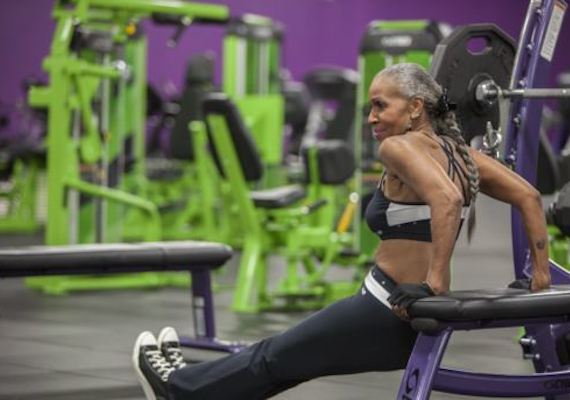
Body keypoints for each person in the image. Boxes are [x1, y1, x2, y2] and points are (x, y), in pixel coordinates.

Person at [131, 63, 552, 400]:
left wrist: (435, 285)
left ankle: (174, 387)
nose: (371, 118)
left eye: (380, 106)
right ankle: (196, 385)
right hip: (398, 313)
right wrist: (540, 277)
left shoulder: (397, 147)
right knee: (285, 365)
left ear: (415, 108)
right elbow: (530, 197)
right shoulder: (460, 155)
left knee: (272, 355)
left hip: (387, 308)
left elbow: (447, 200)